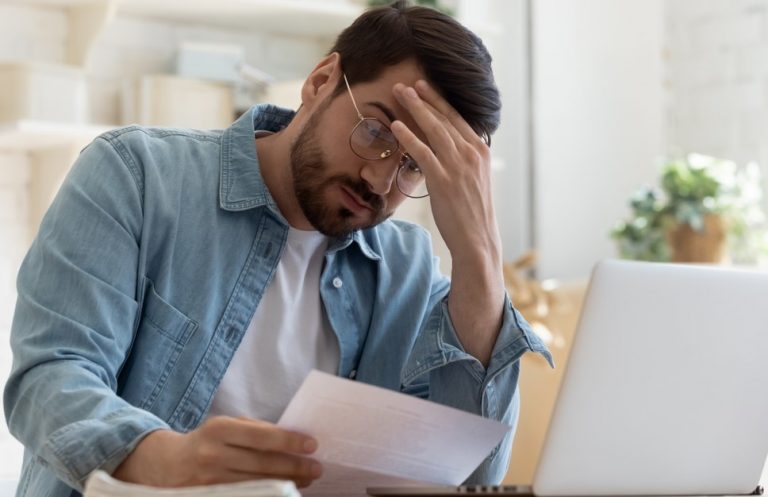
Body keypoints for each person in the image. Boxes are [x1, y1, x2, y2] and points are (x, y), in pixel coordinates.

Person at [3, 1, 551, 496]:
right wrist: (166, 458)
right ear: (321, 80)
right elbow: (49, 377)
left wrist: (479, 255)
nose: (379, 179)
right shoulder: (139, 178)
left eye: (414, 164)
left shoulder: (406, 267)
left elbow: (471, 478)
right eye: (379, 132)